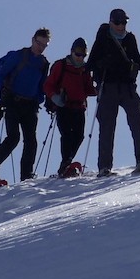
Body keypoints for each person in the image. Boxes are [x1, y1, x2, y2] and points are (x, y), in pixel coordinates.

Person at [86, 8, 140, 176]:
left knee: (136, 122)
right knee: (107, 127)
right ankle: (104, 167)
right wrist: (101, 64)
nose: (121, 26)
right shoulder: (103, 37)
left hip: (127, 87)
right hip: (108, 88)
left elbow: (137, 61)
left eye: (124, 22)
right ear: (111, 22)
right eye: (118, 22)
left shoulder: (130, 38)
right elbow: (89, 65)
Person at [0, 28, 52, 185]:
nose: (40, 47)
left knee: (31, 140)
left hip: (31, 105)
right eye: (39, 43)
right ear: (33, 39)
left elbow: (42, 85)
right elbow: (0, 75)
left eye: (44, 45)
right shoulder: (19, 56)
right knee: (13, 138)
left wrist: (39, 99)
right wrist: (3, 93)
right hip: (13, 102)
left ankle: (26, 175)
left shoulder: (43, 63)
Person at [42, 37, 96, 178]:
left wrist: (99, 89)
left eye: (83, 55)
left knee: (79, 136)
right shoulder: (61, 66)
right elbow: (48, 84)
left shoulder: (84, 69)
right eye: (78, 54)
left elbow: (88, 89)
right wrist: (54, 97)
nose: (80, 57)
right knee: (66, 135)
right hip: (63, 106)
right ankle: (66, 163)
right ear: (71, 52)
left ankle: (66, 163)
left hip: (79, 107)